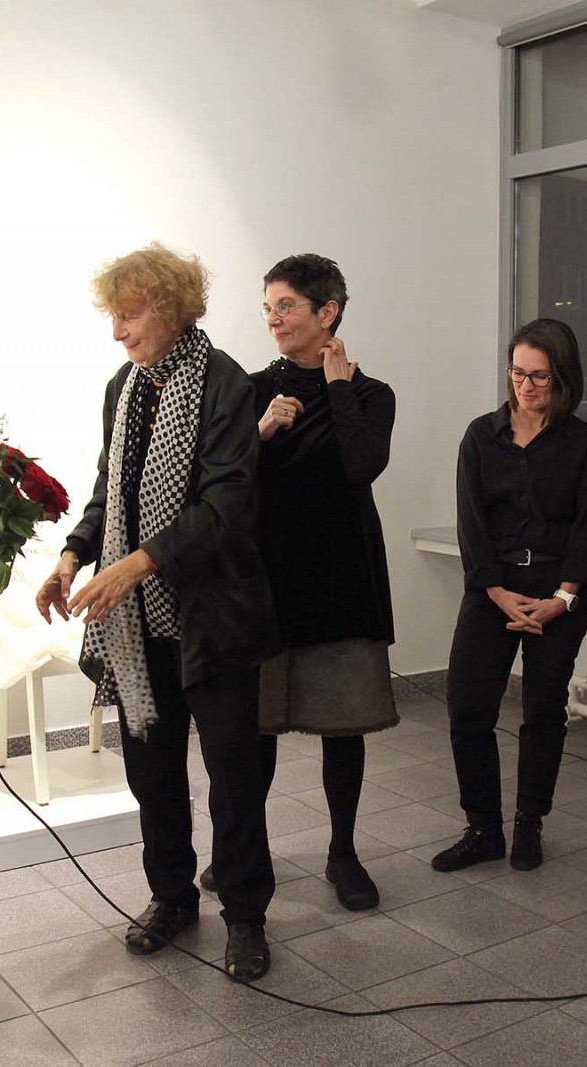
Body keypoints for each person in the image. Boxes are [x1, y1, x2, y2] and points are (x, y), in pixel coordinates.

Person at [36, 243, 279, 982]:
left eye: (131, 314)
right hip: (137, 625)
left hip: (214, 617)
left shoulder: (225, 383)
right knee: (153, 772)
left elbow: (225, 504)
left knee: (233, 777)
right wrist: (74, 554)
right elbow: (109, 491)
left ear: (171, 310)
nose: (118, 330)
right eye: (113, 316)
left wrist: (138, 563)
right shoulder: (125, 386)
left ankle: (245, 916)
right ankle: (172, 897)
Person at [199, 254, 397, 910]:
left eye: (286, 306)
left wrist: (338, 388)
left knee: (344, 726)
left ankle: (344, 852)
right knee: (253, 730)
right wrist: (260, 431)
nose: (274, 319)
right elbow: (220, 483)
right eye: (268, 308)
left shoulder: (371, 395)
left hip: (343, 580)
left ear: (327, 312)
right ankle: (242, 851)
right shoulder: (250, 389)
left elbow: (361, 465)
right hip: (266, 581)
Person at [433, 318, 587, 873]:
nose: (526, 386)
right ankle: (483, 828)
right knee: (467, 707)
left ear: (563, 379)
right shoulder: (481, 436)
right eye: (518, 373)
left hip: (559, 593)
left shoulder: (583, 443)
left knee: (543, 711)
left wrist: (563, 598)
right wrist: (496, 591)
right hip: (494, 589)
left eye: (540, 376)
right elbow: (471, 522)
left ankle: (529, 822)